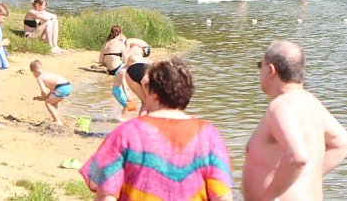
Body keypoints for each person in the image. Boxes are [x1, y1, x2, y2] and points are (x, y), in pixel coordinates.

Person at [80, 58, 234, 201]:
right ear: (188, 94)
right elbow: (222, 196)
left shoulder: (126, 132)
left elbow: (101, 188)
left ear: (153, 93)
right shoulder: (208, 135)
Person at [243, 40, 347, 201]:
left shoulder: (280, 106)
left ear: (271, 70)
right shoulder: (312, 103)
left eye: (261, 65)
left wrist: (270, 196)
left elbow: (297, 157)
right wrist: (303, 177)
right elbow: (342, 143)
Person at [30, 60, 71, 125]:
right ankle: (55, 118)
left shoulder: (39, 78)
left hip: (61, 87)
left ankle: (58, 121)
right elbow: (52, 89)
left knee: (48, 103)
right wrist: (44, 97)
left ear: (34, 72)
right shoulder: (47, 74)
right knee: (54, 101)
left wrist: (42, 98)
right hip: (68, 86)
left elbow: (44, 91)